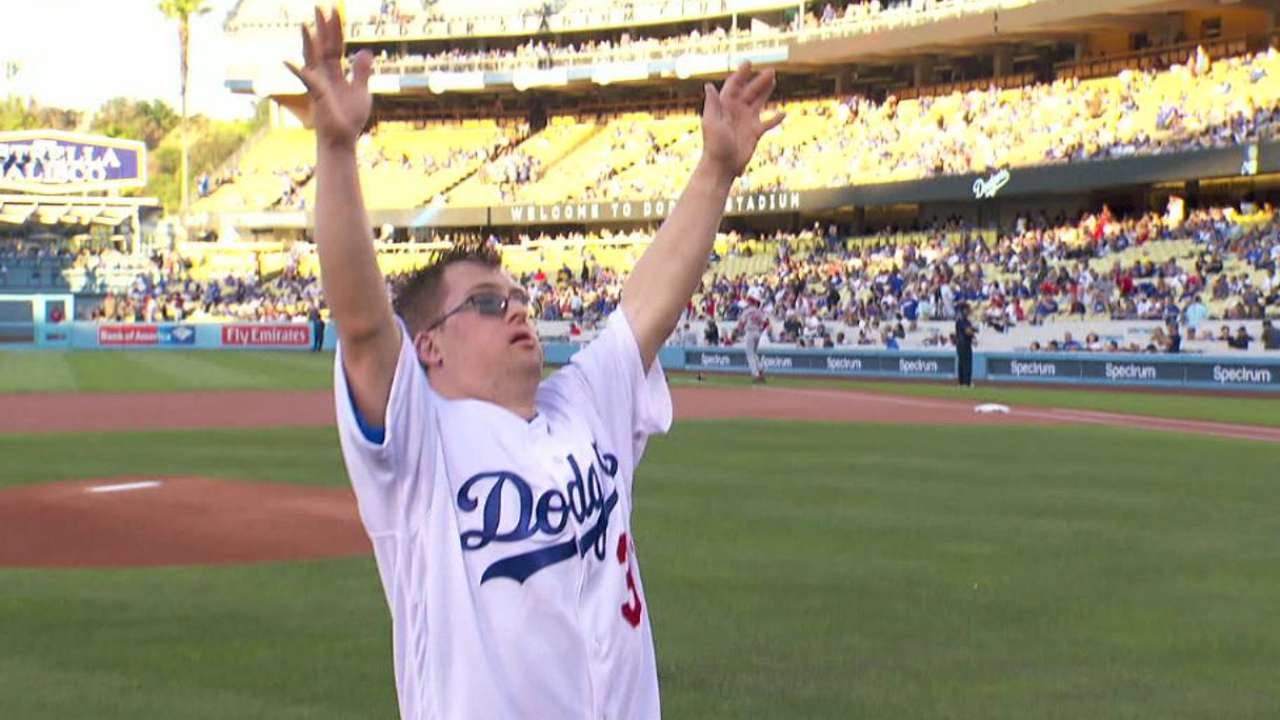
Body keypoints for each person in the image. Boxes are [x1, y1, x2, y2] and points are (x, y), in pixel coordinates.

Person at [286, 9, 783, 720]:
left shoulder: (581, 406)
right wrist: (336, 150)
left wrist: (716, 169)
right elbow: (365, 328)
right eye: (488, 304)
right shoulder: (421, 448)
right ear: (429, 345)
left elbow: (645, 307)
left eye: (518, 297)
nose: (518, 309)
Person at [735, 288, 769, 383]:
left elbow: (741, 323)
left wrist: (737, 331)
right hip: (757, 332)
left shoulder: (747, 311)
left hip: (750, 332)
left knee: (750, 354)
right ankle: (760, 368)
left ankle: (756, 374)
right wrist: (761, 329)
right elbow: (766, 322)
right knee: (754, 352)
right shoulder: (759, 311)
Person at [954, 302, 976, 386]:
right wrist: (973, 332)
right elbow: (967, 331)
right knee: (966, 363)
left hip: (963, 343)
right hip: (963, 343)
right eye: (967, 309)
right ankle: (966, 382)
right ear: (963, 310)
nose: (968, 311)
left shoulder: (965, 320)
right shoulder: (961, 320)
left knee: (962, 363)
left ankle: (962, 382)